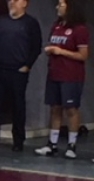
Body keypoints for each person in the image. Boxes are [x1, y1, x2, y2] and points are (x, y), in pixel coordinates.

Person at [0, 0, 42, 152]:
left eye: (15, 0)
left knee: (18, 105)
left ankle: (18, 140)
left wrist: (28, 65)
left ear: (24, 3)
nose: (11, 3)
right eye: (10, 0)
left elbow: (36, 46)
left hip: (18, 71)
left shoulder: (30, 23)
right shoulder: (0, 21)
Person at [35, 0, 89, 160]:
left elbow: (83, 55)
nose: (58, 7)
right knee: (55, 108)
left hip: (71, 76)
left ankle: (72, 144)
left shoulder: (80, 29)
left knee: (71, 109)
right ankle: (52, 144)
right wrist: (51, 51)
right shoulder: (57, 26)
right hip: (54, 74)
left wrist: (61, 51)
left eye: (61, 4)